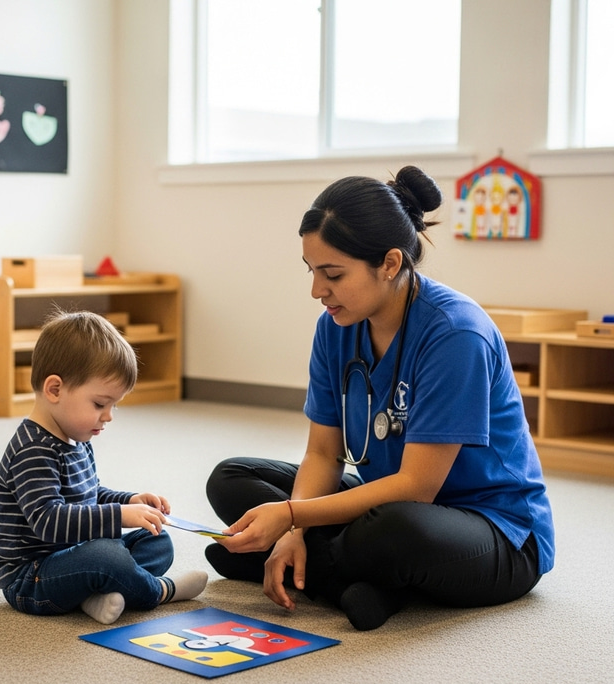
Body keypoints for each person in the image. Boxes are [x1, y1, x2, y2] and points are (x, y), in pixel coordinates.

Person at [205, 166, 555, 631]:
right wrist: (294, 530)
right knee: (231, 478)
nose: (316, 291)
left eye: (332, 274)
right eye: (311, 272)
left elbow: (416, 488)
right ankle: (360, 583)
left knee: (393, 532)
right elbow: (323, 453)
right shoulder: (335, 327)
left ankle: (323, 574)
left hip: (494, 531)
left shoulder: (456, 333)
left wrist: (292, 515)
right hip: (384, 504)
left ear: (390, 264)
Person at [0, 310, 207, 624]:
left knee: (156, 539)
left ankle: (94, 593)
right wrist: (119, 517)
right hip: (32, 578)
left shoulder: (76, 437)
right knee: (107, 558)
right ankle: (159, 591)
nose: (108, 417)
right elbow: (49, 521)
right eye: (99, 404)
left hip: (75, 556)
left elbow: (90, 496)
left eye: (113, 406)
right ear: (55, 390)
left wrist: (129, 501)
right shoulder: (33, 450)